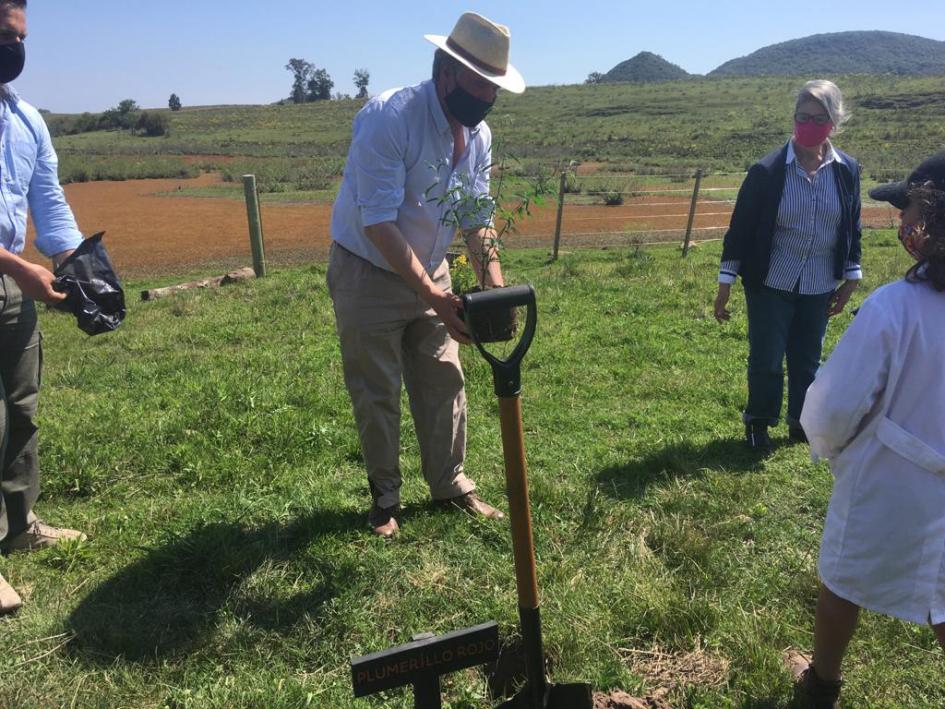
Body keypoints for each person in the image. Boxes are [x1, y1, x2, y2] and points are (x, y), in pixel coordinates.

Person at [326, 12, 525, 538]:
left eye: (494, 88)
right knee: (377, 388)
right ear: (447, 72)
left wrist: (492, 285)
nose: (487, 98)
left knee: (444, 379)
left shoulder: (478, 136)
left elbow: (475, 215)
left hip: (433, 269)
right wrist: (435, 296)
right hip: (367, 270)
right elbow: (378, 223)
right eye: (480, 84)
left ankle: (449, 483)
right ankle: (385, 500)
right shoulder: (390, 118)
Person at [789, 153, 945, 708]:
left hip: (886, 479)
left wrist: (829, 449)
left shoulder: (893, 309)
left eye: (910, 213)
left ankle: (823, 680)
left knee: (843, 576)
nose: (901, 224)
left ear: (931, 226)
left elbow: (833, 406)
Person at [714, 80, 862, 451]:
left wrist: (850, 277)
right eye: (802, 117)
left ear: (834, 121)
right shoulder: (766, 172)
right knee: (766, 357)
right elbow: (740, 230)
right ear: (793, 118)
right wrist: (725, 283)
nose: (809, 124)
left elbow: (852, 225)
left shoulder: (847, 171)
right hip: (771, 282)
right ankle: (759, 422)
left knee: (808, 358)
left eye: (818, 117)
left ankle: (802, 422)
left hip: (819, 283)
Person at [0, 0, 87, 615]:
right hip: (11, 271)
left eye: (20, 36)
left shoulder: (26, 120)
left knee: (22, 405)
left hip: (11, 284)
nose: (16, 49)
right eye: (7, 34)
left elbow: (49, 202)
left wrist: (81, 265)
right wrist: (19, 268)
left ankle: (20, 523)